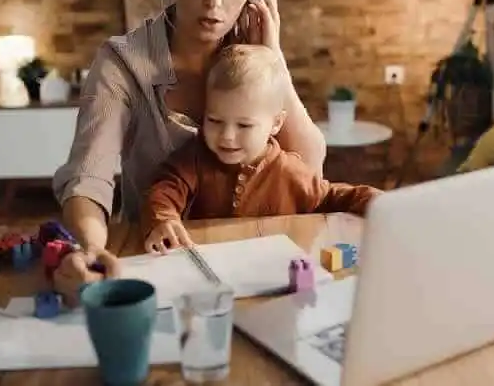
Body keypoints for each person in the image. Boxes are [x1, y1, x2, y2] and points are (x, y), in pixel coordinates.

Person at [49, 0, 328, 306]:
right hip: (159, 262)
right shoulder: (122, 62)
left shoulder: (254, 51)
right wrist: (88, 248)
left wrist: (273, 56)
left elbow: (308, 164)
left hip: (260, 263)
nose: (213, 2)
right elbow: (90, 175)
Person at [144, 44, 381, 253]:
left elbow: (331, 197)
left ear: (276, 123)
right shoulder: (195, 157)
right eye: (214, 121)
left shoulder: (290, 171)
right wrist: (163, 220)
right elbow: (165, 189)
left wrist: (380, 204)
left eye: (244, 125)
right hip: (210, 270)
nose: (226, 136)